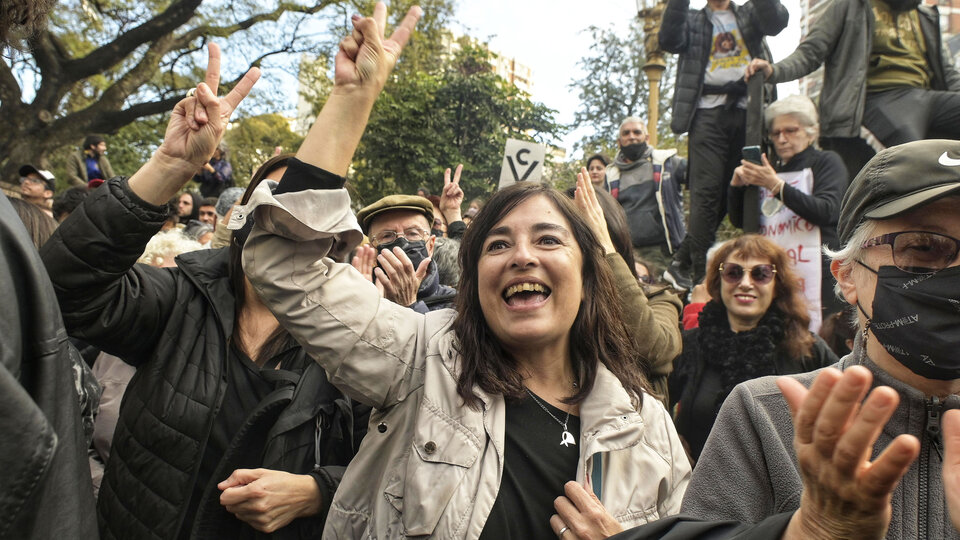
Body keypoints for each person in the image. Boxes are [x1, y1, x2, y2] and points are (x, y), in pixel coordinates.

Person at [235, 4, 690, 537]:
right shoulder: (421, 359)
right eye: (498, 244)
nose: (523, 256)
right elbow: (282, 264)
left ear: (591, 274)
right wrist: (352, 100)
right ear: (473, 280)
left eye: (548, 239)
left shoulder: (648, 426)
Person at [41, 43, 366, 539]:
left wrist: (317, 490)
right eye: (275, 207)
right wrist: (171, 165)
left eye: (308, 214)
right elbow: (65, 291)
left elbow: (395, 465)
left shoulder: (359, 336)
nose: (288, 225)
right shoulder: (180, 298)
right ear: (241, 222)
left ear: (332, 235)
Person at [678, 139, 960, 539]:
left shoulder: (806, 348)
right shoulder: (763, 416)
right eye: (924, 247)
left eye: (760, 274)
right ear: (847, 275)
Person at [745, 0, 960, 179]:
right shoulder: (849, 6)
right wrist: (773, 71)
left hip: (926, 96)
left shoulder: (924, 15)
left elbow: (948, 71)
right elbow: (811, 52)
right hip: (878, 97)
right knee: (915, 154)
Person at [669, 234, 838, 461]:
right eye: (733, 273)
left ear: (777, 286)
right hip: (700, 487)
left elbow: (845, 405)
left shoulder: (807, 348)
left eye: (760, 274)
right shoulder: (689, 345)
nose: (746, 283)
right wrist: (669, 439)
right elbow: (650, 401)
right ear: (718, 283)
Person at [659, 0, 788, 289]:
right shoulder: (693, 19)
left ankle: (695, 264)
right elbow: (668, 40)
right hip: (706, 115)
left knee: (742, 189)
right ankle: (700, 283)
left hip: (749, 112)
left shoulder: (748, 12)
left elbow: (777, 23)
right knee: (705, 195)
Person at [566, 171, 683, 407]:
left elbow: (652, 349)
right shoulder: (552, 302)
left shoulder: (659, 298)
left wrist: (605, 249)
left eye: (589, 233)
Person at [729, 95, 848, 324]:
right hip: (775, 275)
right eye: (776, 133)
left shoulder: (827, 162)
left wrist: (775, 186)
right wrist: (735, 187)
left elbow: (827, 210)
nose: (782, 139)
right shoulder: (768, 171)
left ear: (810, 132)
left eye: (791, 131)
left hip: (819, 275)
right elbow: (741, 222)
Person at [603, 117, 687, 275]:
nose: (632, 136)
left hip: (664, 252)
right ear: (619, 141)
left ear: (646, 138)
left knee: (666, 297)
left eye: (637, 132)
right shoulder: (611, 174)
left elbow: (700, 178)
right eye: (626, 133)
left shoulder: (666, 163)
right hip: (628, 253)